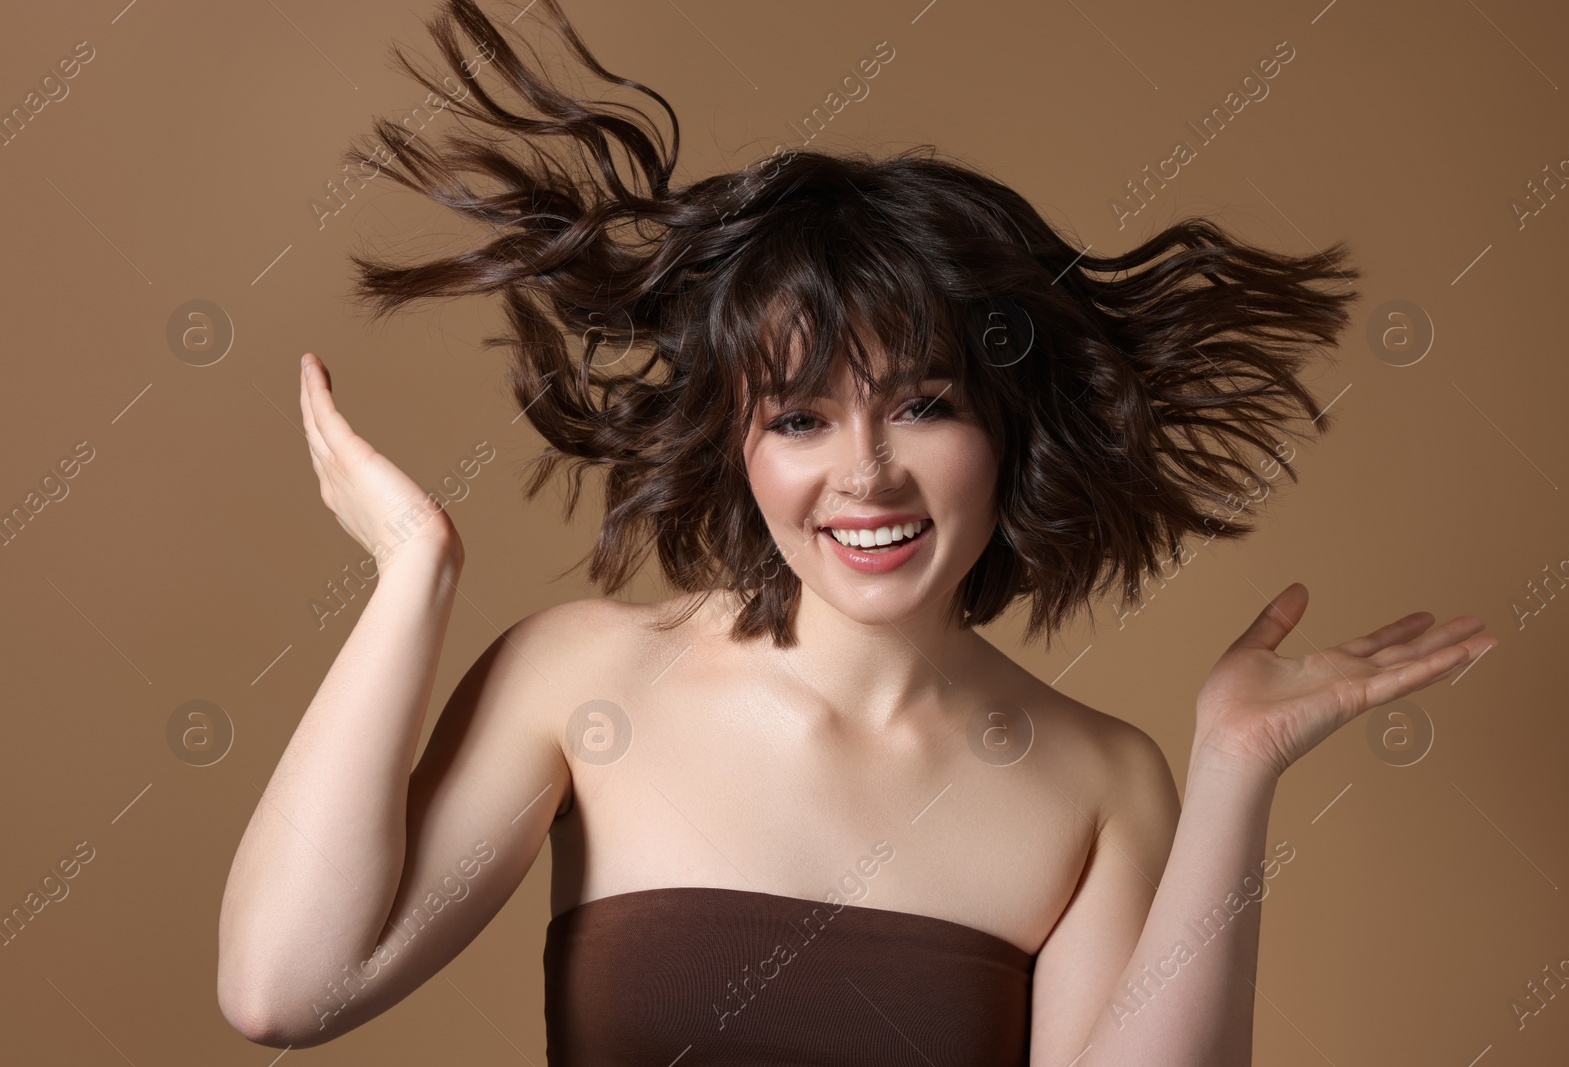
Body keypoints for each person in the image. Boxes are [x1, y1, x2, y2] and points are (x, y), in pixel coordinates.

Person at [216, 1, 1497, 1062]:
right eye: (801, 418)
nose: (865, 476)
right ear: (737, 443)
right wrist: (412, 573)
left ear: (1005, 428)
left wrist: (1235, 765)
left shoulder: (1098, 780)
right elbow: (285, 988)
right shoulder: (581, 678)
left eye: (925, 406)